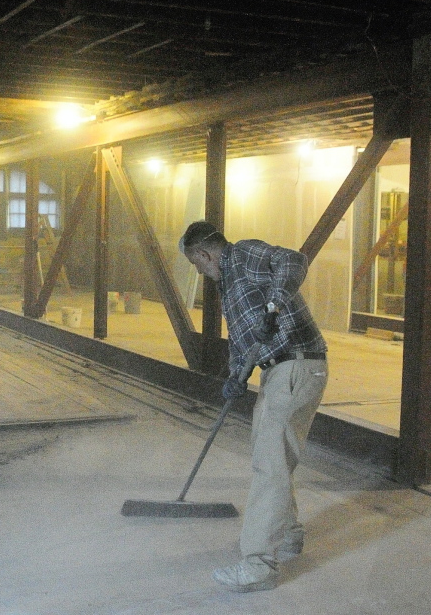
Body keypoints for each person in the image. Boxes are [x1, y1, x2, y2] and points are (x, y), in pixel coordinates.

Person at [179, 220, 328, 593]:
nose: (201, 272)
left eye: (199, 266)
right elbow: (246, 340)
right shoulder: (230, 285)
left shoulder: (243, 254)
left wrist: (275, 305)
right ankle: (289, 534)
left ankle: (258, 564)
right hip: (279, 371)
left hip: (297, 364)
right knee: (272, 458)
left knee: (269, 464)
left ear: (204, 254)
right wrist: (234, 377)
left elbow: (293, 260)